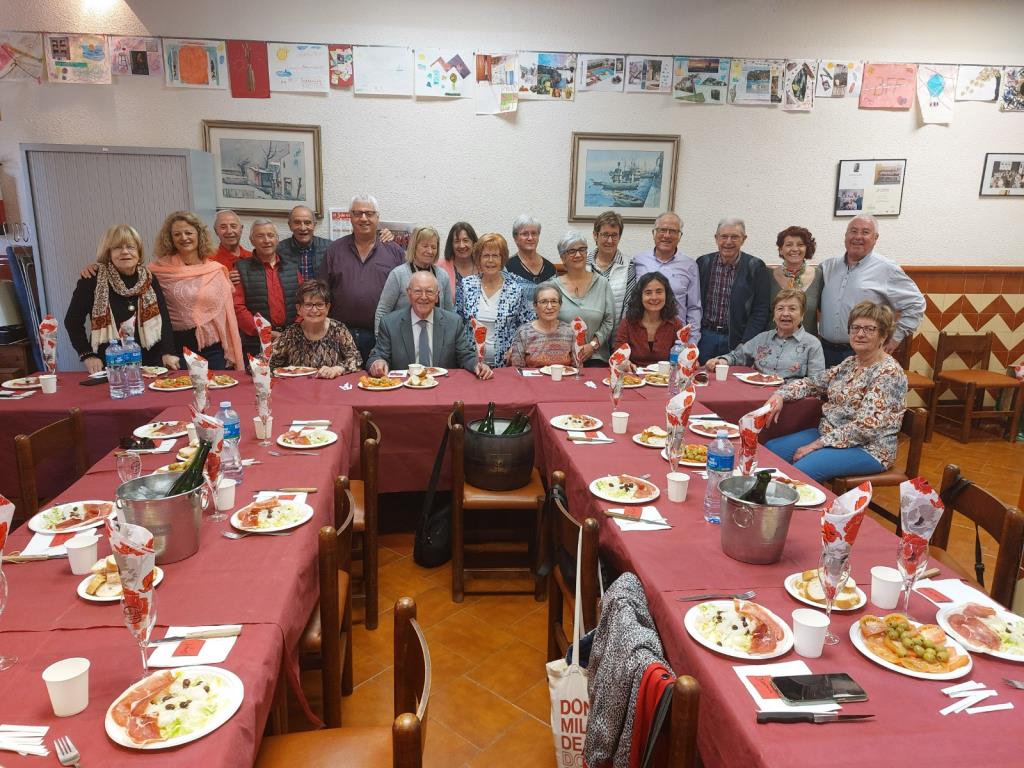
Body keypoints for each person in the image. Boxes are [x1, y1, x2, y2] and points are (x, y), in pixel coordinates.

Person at [762, 301, 907, 483]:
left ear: (883, 335)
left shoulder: (888, 372)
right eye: (855, 328)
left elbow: (865, 428)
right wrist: (780, 394)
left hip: (869, 448)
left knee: (800, 471)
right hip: (829, 434)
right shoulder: (850, 363)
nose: (860, 334)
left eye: (869, 329)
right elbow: (812, 383)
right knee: (770, 450)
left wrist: (815, 445)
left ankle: (796, 508)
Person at [65, 224, 178, 373]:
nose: (125, 252)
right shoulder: (93, 280)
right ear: (108, 252)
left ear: (138, 251)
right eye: (117, 247)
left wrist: (168, 352)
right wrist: (88, 355)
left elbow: (164, 319)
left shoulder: (149, 279)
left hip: (151, 362)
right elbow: (72, 321)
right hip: (112, 364)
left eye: (130, 247)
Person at [818, 215, 926, 367]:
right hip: (824, 351)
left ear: (875, 238)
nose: (858, 237)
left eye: (865, 232)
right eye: (853, 231)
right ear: (845, 236)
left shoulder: (887, 269)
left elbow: (916, 304)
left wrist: (895, 339)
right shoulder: (827, 267)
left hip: (864, 353)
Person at [148, 210, 244, 370]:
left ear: (199, 235)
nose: (184, 238)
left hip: (215, 350)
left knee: (218, 392)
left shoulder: (215, 270)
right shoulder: (158, 271)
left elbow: (227, 315)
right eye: (177, 234)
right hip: (178, 350)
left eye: (188, 232)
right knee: (183, 394)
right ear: (170, 238)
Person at [319, 194, 405, 362]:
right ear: (350, 217)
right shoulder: (334, 250)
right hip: (339, 336)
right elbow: (322, 292)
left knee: (378, 382)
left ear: (377, 217)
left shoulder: (394, 251)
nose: (363, 218)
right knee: (340, 383)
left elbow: (403, 295)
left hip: (382, 337)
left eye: (369, 213)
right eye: (358, 213)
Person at [368, 272, 492, 379]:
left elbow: (465, 355)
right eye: (417, 291)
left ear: (437, 296)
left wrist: (477, 365)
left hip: (443, 389)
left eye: (429, 291)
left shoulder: (453, 322)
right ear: (409, 293)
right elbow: (377, 356)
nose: (423, 297)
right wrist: (378, 362)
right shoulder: (390, 323)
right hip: (404, 390)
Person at [705, 288, 825, 380]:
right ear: (774, 314)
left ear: (802, 314)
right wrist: (721, 361)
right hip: (758, 395)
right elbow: (737, 356)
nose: (785, 313)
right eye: (780, 308)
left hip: (794, 401)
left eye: (792, 309)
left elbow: (817, 383)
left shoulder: (812, 344)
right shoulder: (762, 338)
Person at [695, 217, 770, 363]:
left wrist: (747, 342)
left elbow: (761, 310)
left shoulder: (755, 267)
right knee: (701, 380)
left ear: (744, 239)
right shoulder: (703, 263)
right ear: (716, 238)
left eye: (735, 237)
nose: (728, 242)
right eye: (724, 236)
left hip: (738, 339)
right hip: (705, 337)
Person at [455, 233, 534, 368]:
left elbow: (528, 325)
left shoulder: (515, 289)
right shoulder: (467, 285)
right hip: (471, 365)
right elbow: (456, 322)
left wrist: (516, 349)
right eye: (486, 256)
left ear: (502, 259)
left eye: (495, 256)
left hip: (505, 364)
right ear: (478, 259)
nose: (490, 260)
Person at [233, 218, 302, 359]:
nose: (266, 240)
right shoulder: (241, 268)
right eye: (260, 236)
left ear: (277, 240)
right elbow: (238, 307)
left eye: (270, 235)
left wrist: (292, 332)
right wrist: (266, 332)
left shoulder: (292, 266)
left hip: (291, 339)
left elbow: (304, 302)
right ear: (252, 240)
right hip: (255, 341)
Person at [268, 279, 361, 378]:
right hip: (298, 389)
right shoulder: (291, 333)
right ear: (299, 309)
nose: (314, 310)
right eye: (308, 305)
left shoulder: (338, 329)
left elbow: (356, 359)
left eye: (319, 304)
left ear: (328, 307)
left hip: (331, 388)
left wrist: (337, 369)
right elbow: (265, 362)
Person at [632, 212, 701, 343]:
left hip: (677, 339)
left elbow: (694, 308)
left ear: (680, 236)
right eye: (662, 230)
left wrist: (692, 342)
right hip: (642, 337)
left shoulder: (690, 265)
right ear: (654, 233)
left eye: (673, 231)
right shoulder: (638, 261)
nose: (667, 235)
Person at [550, 231, 615, 365]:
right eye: (572, 251)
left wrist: (592, 345)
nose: (578, 255)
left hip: (596, 357)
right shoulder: (552, 287)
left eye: (582, 249)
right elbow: (547, 322)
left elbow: (609, 321)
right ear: (563, 257)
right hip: (562, 357)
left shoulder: (602, 284)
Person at [374, 226, 454, 333]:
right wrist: (381, 341)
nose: (430, 251)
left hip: (436, 341)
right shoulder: (398, 274)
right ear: (414, 247)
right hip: (402, 340)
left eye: (433, 247)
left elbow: (449, 313)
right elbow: (382, 311)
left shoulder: (442, 276)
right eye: (425, 246)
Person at [613, 272, 683, 367]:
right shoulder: (627, 322)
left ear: (667, 295)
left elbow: (682, 359)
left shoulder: (675, 324)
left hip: (664, 378)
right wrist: (624, 363)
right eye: (648, 293)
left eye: (659, 292)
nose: (654, 297)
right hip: (633, 377)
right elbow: (618, 356)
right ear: (640, 297)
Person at [769, 225, 823, 337]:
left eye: (800, 244)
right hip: (772, 346)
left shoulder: (819, 276)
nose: (794, 249)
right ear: (781, 249)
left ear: (807, 248)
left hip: (807, 347)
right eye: (788, 245)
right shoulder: (767, 276)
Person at [587, 211, 635, 329]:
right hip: (586, 336)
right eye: (605, 235)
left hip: (616, 337)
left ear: (619, 237)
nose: (609, 240)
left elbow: (628, 307)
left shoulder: (629, 266)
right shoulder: (583, 263)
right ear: (595, 235)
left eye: (614, 235)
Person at [507, 283, 574, 368]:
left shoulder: (569, 331)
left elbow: (576, 368)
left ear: (560, 305)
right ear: (535, 306)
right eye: (544, 302)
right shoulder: (524, 332)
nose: (549, 307)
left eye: (554, 301)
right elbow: (517, 369)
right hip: (531, 381)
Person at [278, 205, 331, 281]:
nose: (303, 228)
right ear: (290, 225)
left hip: (321, 293)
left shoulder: (330, 248)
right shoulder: (278, 250)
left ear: (314, 225)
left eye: (307, 222)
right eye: (297, 223)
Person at [505, 214, 556, 288]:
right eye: (525, 234)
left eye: (534, 233)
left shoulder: (550, 268)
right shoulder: (507, 267)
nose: (530, 238)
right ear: (515, 238)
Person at [209, 210, 251, 284]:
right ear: (216, 231)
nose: (229, 231)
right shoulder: (209, 261)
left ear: (241, 229)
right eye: (223, 227)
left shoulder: (253, 257)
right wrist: (223, 283)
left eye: (233, 226)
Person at [440, 222, 478, 287]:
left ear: (474, 242)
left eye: (465, 240)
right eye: (457, 241)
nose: (461, 246)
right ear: (451, 244)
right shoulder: (440, 267)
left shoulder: (484, 266)